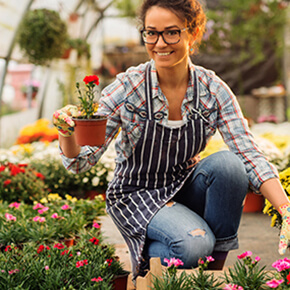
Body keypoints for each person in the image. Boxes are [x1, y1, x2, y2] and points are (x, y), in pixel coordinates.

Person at [53, 0, 290, 282]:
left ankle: (208, 275)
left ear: (194, 31)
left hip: (183, 187)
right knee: (194, 245)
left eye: (172, 32)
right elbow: (79, 163)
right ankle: (156, 260)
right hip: (136, 194)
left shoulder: (213, 90)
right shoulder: (129, 87)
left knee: (229, 166)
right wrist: (66, 132)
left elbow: (248, 152)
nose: (160, 43)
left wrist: (285, 209)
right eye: (151, 32)